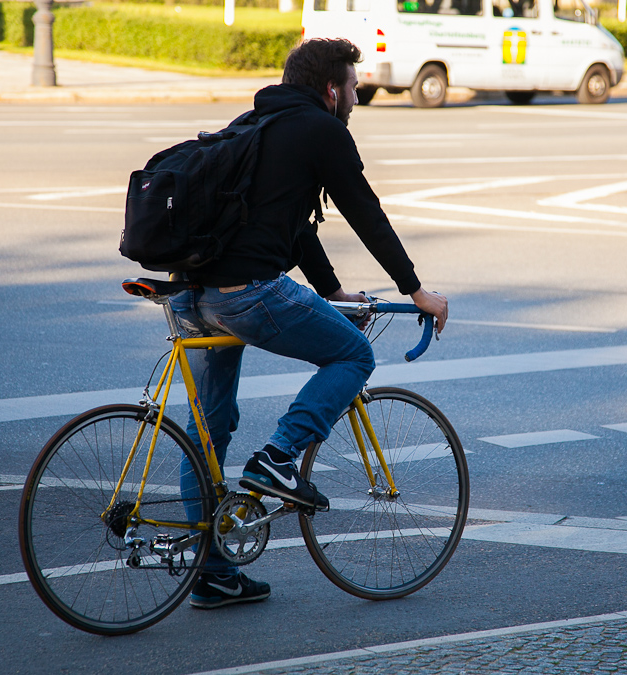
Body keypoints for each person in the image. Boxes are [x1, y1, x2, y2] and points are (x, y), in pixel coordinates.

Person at [168, 38, 448, 610]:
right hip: (247, 294)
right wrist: (414, 288)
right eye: (352, 87)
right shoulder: (323, 131)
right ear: (330, 89)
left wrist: (332, 292)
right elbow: (363, 209)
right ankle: (277, 458)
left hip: (189, 295)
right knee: (353, 357)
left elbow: (293, 227)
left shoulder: (256, 122)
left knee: (210, 429)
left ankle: (213, 573)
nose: (355, 98)